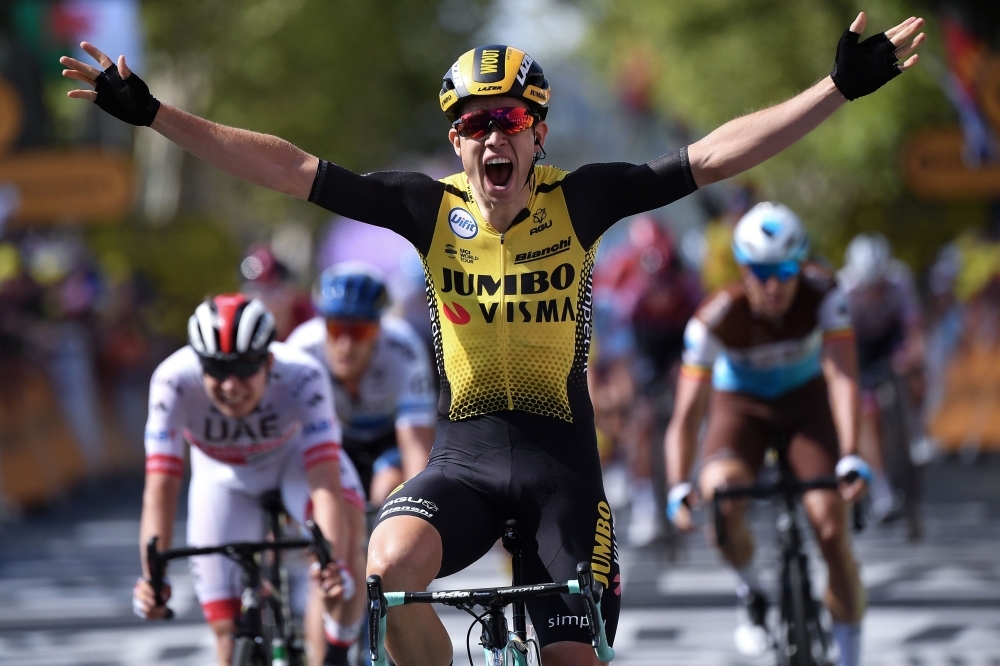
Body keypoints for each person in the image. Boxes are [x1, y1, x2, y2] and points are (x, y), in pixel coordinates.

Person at [62, 14, 924, 664]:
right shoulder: (425, 209)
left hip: (562, 476)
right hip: (463, 466)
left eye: (509, 118)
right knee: (388, 571)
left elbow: (715, 158)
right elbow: (288, 169)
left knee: (572, 656)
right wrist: (155, 116)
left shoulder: (581, 201)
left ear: (538, 131)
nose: (492, 136)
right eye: (473, 124)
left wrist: (836, 90)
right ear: (455, 142)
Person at [665, 203, 871, 666]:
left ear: (801, 264)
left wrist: (852, 454)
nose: (773, 285)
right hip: (742, 411)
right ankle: (752, 592)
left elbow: (842, 378)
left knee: (830, 526)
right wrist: (679, 483)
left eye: (784, 270)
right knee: (722, 498)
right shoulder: (715, 318)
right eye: (760, 272)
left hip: (805, 407)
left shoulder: (824, 294)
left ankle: (850, 653)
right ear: (743, 268)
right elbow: (687, 414)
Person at [131, 294, 367, 666]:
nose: (230, 385)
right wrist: (153, 579)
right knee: (227, 630)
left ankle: (338, 652)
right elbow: (160, 486)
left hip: (295, 463)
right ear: (198, 363)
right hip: (222, 476)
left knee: (343, 546)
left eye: (243, 369)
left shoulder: (302, 374)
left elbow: (325, 481)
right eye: (216, 369)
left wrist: (331, 561)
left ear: (268, 361)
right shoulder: (172, 381)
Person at [286, 263, 436, 505]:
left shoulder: (404, 349)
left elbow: (417, 446)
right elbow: (288, 440)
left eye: (359, 332)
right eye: (336, 329)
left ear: (378, 328)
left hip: (388, 439)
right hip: (335, 439)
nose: (345, 345)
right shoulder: (300, 351)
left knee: (389, 488)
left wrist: (415, 511)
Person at [839, 233, 926, 528]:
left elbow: (912, 327)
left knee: (915, 370)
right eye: (870, 288)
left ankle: (917, 429)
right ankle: (881, 489)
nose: (875, 293)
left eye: (879, 287)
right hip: (858, 347)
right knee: (868, 414)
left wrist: (912, 357)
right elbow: (840, 342)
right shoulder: (845, 289)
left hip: (890, 339)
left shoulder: (899, 280)